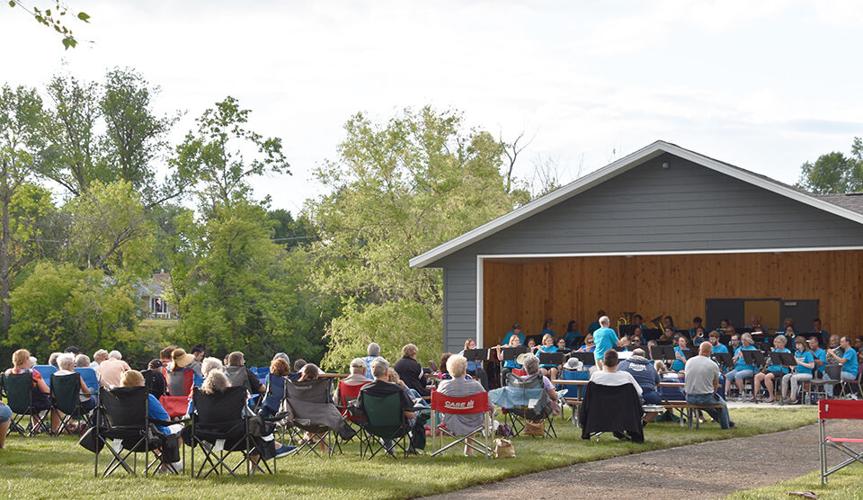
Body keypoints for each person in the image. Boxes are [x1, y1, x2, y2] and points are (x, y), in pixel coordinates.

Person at [359, 357, 421, 453]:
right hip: (398, 427)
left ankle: (389, 448)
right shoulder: (397, 389)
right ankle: (412, 447)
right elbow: (409, 413)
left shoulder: (364, 390)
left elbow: (359, 410)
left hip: (373, 427)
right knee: (418, 413)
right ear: (386, 372)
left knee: (383, 416)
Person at [436, 354, 486, 455]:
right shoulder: (476, 385)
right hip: (473, 422)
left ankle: (440, 450)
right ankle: (469, 449)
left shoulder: (443, 385)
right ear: (465, 370)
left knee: (466, 413)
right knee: (471, 413)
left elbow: (437, 404)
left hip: (449, 422)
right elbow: (488, 404)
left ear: (449, 369)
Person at [685, 342, 734, 429]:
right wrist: (713, 392)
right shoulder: (713, 365)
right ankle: (726, 426)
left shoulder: (689, 361)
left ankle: (726, 422)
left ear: (699, 350)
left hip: (689, 397)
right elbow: (715, 384)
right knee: (722, 404)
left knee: (709, 407)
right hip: (705, 398)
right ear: (710, 352)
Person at [752, 335, 790, 403]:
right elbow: (768, 364)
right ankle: (755, 396)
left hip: (782, 370)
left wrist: (779, 360)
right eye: (775, 342)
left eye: (778, 342)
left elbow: (788, 365)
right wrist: (768, 361)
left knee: (767, 376)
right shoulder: (774, 350)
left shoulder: (787, 351)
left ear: (784, 343)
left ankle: (771, 396)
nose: (776, 344)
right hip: (771, 369)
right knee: (757, 376)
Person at [781, 338, 815, 404]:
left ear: (803, 344)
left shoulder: (808, 353)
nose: (797, 345)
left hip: (807, 374)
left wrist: (799, 362)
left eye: (799, 344)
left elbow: (812, 366)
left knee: (793, 378)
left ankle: (793, 398)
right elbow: (795, 364)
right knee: (785, 377)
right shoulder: (796, 353)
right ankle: (783, 397)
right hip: (797, 373)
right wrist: (792, 366)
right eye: (796, 344)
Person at [724, 333, 758, 399]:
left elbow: (755, 361)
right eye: (742, 340)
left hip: (749, 369)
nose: (743, 341)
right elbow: (733, 363)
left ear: (749, 340)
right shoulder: (738, 349)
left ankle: (741, 393)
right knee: (727, 376)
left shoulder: (753, 349)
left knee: (738, 375)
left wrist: (745, 356)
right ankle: (725, 393)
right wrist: (735, 360)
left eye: (745, 340)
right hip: (738, 368)